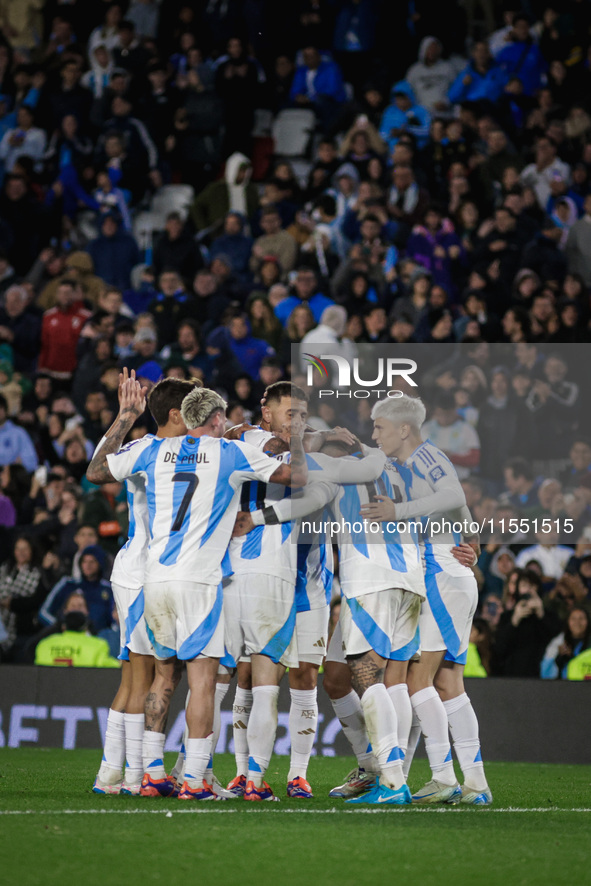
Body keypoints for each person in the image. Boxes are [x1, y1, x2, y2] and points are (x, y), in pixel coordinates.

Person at [86, 378, 306, 801]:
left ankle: (150, 773)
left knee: (160, 674)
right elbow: (294, 476)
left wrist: (124, 417)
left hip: (154, 578)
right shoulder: (228, 451)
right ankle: (193, 781)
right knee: (204, 682)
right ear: (216, 418)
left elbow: (96, 471)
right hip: (200, 582)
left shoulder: (150, 449)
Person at [92, 373, 202, 796]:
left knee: (135, 677)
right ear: (177, 414)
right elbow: (97, 471)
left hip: (146, 570)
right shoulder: (147, 449)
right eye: (194, 409)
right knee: (148, 676)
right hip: (143, 571)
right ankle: (137, 777)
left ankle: (110, 774)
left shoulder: (182, 450)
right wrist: (124, 417)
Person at [39, 545, 115, 633]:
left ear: (100, 563)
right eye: (84, 561)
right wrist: (61, 627)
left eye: (92, 561)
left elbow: (114, 620)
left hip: (98, 640)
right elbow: (44, 612)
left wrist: (106, 635)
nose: (88, 565)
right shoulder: (67, 584)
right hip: (66, 638)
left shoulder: (109, 589)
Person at [35, 608, 120, 668]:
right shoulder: (98, 645)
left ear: (64, 627)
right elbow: (107, 665)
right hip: (83, 690)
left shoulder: (45, 644)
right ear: (85, 627)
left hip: (48, 689)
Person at [0, 393, 38, 472]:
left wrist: (18, 463)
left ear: (5, 410)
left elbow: (32, 462)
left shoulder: (18, 433)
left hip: (13, 476)